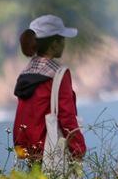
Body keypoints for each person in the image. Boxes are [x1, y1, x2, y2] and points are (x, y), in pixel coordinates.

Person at [13, 14, 86, 163]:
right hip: (51, 151)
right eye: (62, 39)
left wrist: (20, 147)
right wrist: (78, 148)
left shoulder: (26, 73)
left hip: (30, 150)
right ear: (54, 44)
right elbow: (67, 116)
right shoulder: (58, 74)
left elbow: (23, 113)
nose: (64, 44)